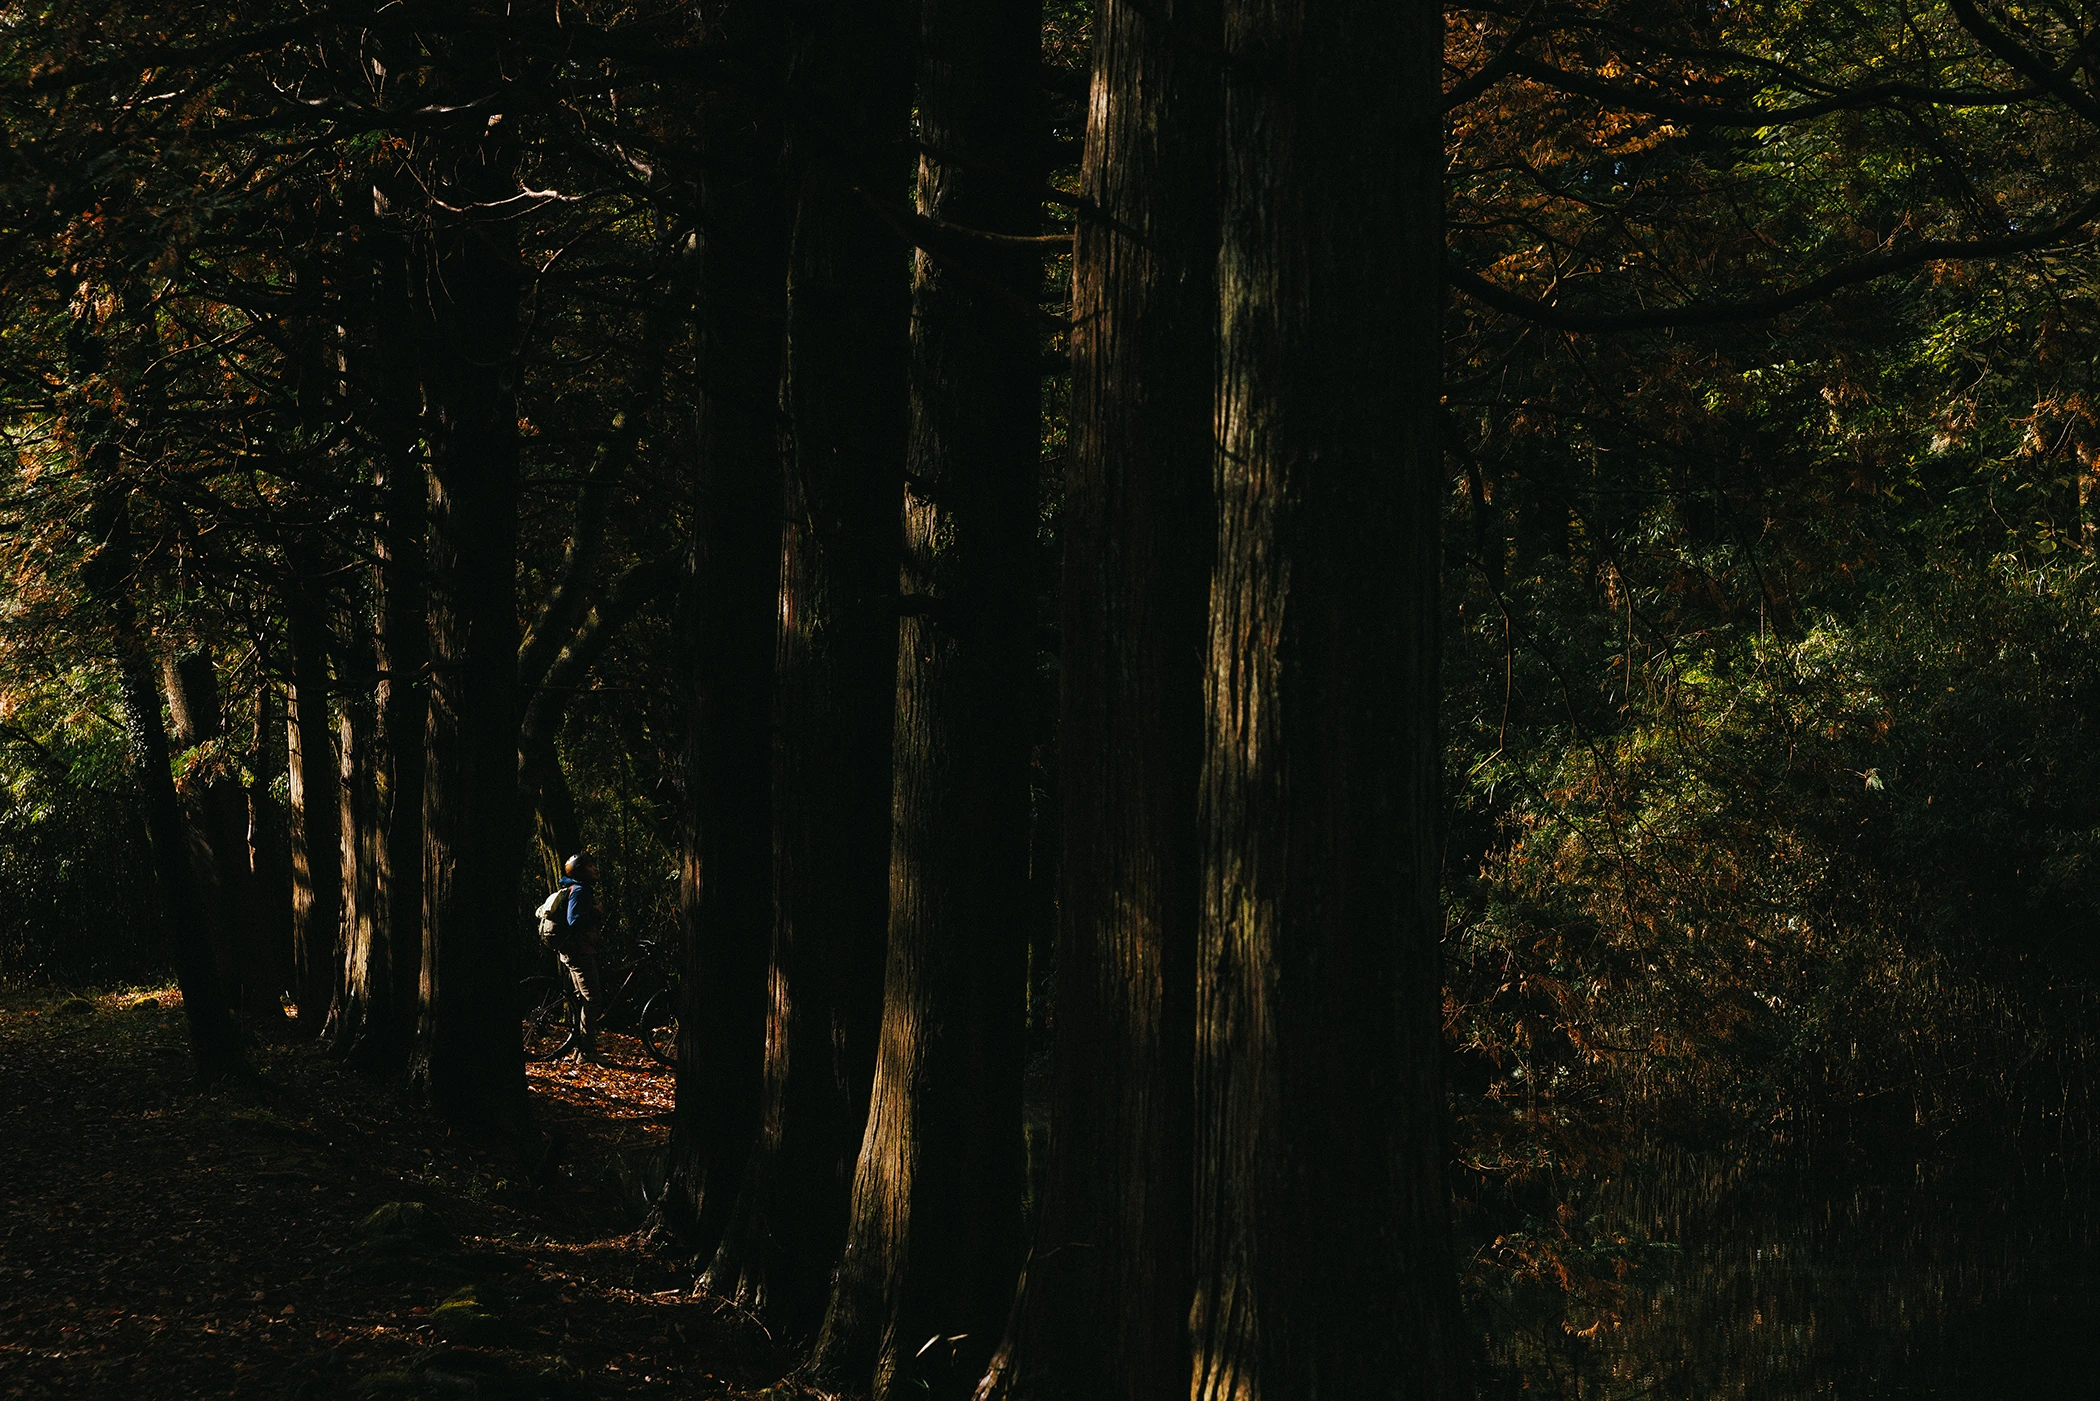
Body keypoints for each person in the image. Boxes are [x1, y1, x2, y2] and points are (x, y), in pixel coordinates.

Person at [555, 853, 606, 1057]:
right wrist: (597, 913)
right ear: (581, 870)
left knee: (583, 1000)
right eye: (590, 866)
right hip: (579, 952)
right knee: (592, 1000)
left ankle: (580, 1046)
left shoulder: (577, 889)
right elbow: (574, 921)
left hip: (578, 951)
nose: (594, 869)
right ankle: (585, 1051)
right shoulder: (579, 891)